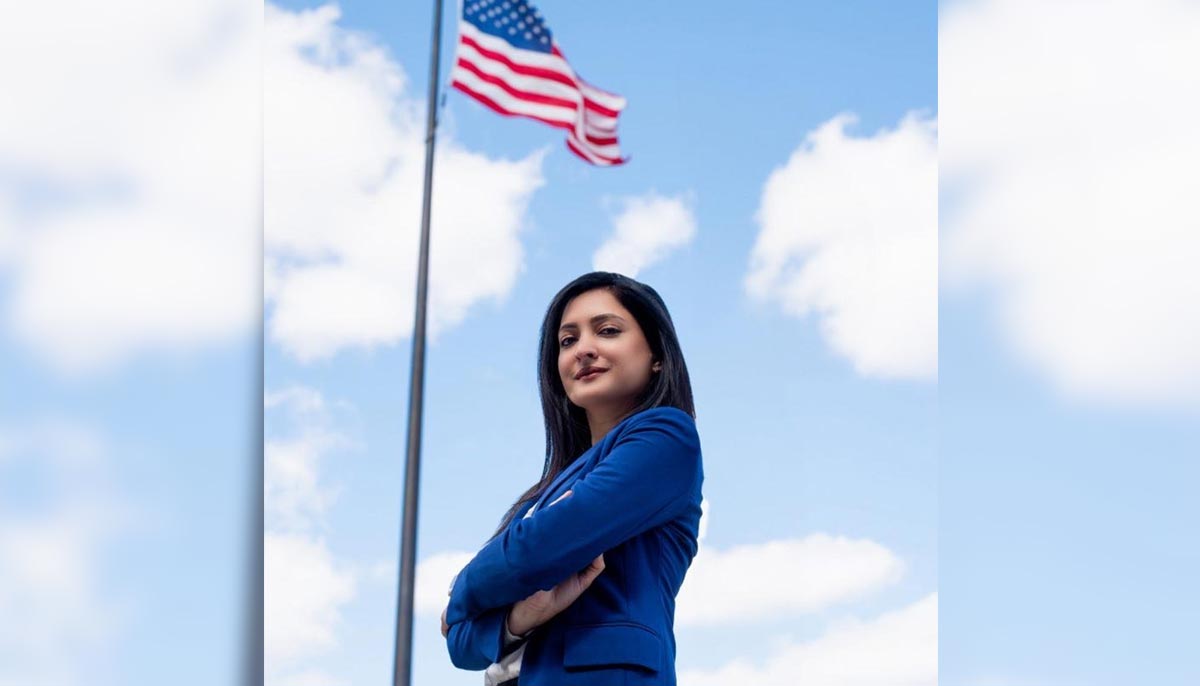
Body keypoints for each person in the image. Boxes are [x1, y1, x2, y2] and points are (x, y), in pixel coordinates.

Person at [441, 271, 704, 686]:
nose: (584, 350)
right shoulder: (543, 496)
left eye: (608, 330)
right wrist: (518, 617)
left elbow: (539, 548)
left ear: (657, 355)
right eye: (568, 341)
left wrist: (461, 589)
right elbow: (461, 646)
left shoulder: (666, 438)